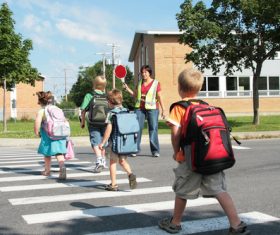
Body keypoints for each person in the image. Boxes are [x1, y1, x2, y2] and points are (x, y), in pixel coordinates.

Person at [158, 68, 250, 235]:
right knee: (219, 190)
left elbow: (175, 133)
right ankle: (236, 224)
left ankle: (175, 223)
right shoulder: (206, 106)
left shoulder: (178, 108)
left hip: (190, 158)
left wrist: (176, 151)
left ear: (179, 87)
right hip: (211, 157)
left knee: (182, 191)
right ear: (199, 89)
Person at [99, 89, 137, 191]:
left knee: (112, 162)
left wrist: (103, 142)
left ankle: (114, 184)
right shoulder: (126, 111)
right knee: (122, 161)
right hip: (124, 142)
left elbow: (108, 129)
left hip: (114, 143)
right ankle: (130, 173)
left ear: (110, 102)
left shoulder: (111, 114)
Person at [123, 65, 165, 157]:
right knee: (137, 129)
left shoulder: (156, 83)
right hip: (139, 108)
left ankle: (155, 151)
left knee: (153, 129)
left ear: (149, 73)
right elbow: (135, 95)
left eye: (145, 72)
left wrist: (163, 109)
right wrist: (127, 89)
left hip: (153, 108)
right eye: (142, 72)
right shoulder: (139, 83)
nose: (143, 74)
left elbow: (160, 96)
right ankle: (135, 149)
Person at [34, 91, 67, 180]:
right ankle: (62, 167)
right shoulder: (57, 108)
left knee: (47, 154)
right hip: (60, 133)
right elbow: (64, 120)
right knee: (59, 153)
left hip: (47, 134)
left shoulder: (42, 111)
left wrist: (36, 131)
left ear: (40, 102)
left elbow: (37, 121)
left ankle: (47, 171)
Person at [80, 75, 108, 173]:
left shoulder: (89, 95)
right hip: (105, 123)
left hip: (93, 123)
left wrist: (82, 122)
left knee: (95, 142)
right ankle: (103, 160)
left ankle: (99, 160)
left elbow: (83, 110)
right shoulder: (107, 95)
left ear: (94, 84)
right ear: (104, 85)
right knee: (103, 142)